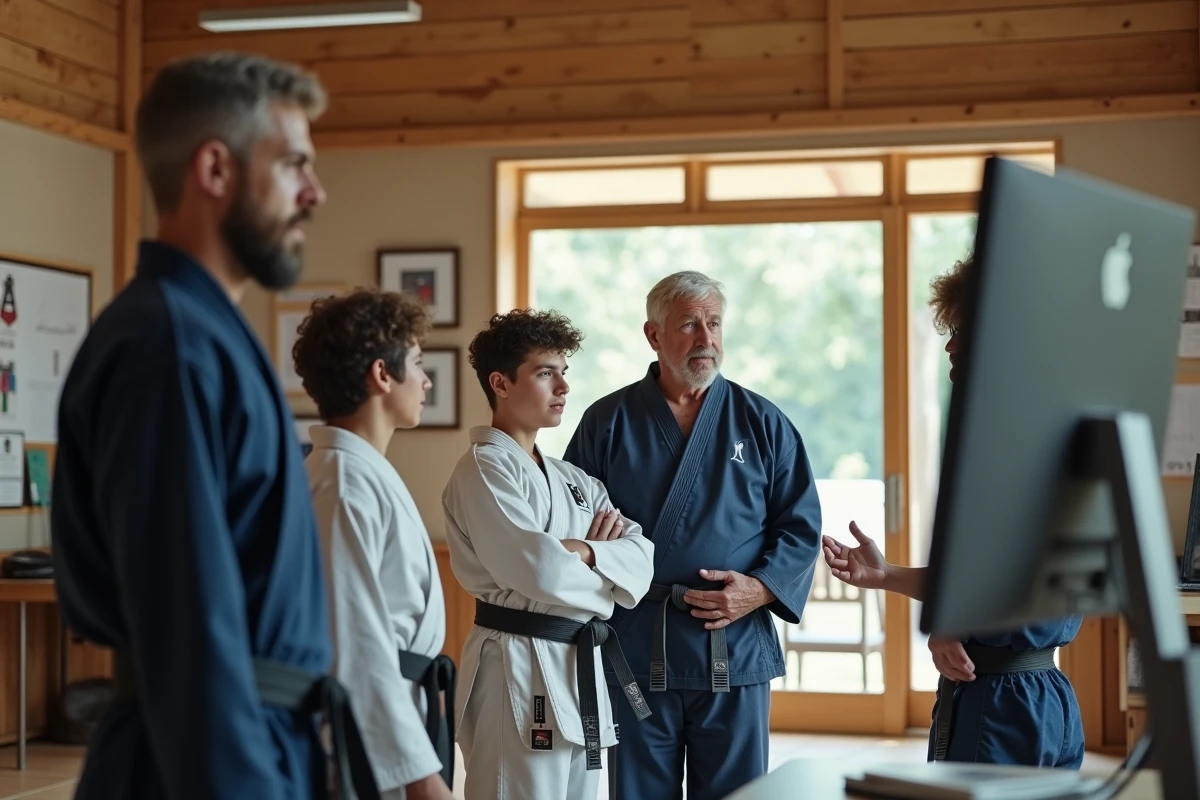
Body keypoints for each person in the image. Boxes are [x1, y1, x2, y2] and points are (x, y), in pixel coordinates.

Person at [50, 53, 379, 799]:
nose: (315, 192)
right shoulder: (170, 345)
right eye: (294, 163)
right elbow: (187, 627)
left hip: (253, 741)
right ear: (215, 169)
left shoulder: (200, 333)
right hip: (207, 757)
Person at [564, 271, 824, 800]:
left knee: (739, 794)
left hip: (733, 643)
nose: (706, 338)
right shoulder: (607, 421)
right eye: (688, 324)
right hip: (636, 644)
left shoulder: (762, 422)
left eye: (714, 323)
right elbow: (570, 526)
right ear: (653, 335)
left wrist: (761, 588)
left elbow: (800, 525)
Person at [822, 255, 1085, 768]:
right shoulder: (1051, 428)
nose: (949, 344)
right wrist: (888, 573)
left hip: (999, 706)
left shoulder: (1003, 443)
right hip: (1049, 700)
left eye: (961, 329)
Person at [442, 309, 656, 800]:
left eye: (564, 373)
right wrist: (602, 563)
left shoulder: (575, 480)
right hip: (517, 664)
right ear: (500, 382)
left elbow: (641, 561)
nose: (562, 387)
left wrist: (578, 551)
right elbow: (536, 569)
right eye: (545, 373)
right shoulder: (484, 469)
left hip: (579, 664)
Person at [292, 288, 456, 800]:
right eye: (418, 362)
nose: (427, 379)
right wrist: (421, 777)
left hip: (401, 713)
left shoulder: (360, 472)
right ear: (382, 375)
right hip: (366, 734)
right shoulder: (342, 481)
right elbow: (355, 643)